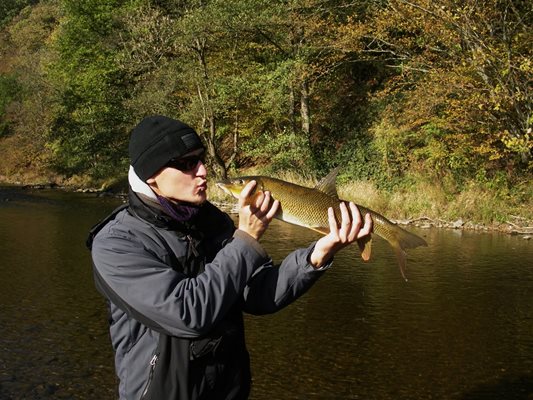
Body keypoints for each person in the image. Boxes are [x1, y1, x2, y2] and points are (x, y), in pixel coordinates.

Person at [87, 115, 372, 400]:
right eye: (187, 164)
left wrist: (317, 255)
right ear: (152, 175)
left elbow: (258, 294)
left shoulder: (214, 222)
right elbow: (186, 313)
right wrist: (247, 239)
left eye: (201, 159)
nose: (202, 171)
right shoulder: (116, 243)